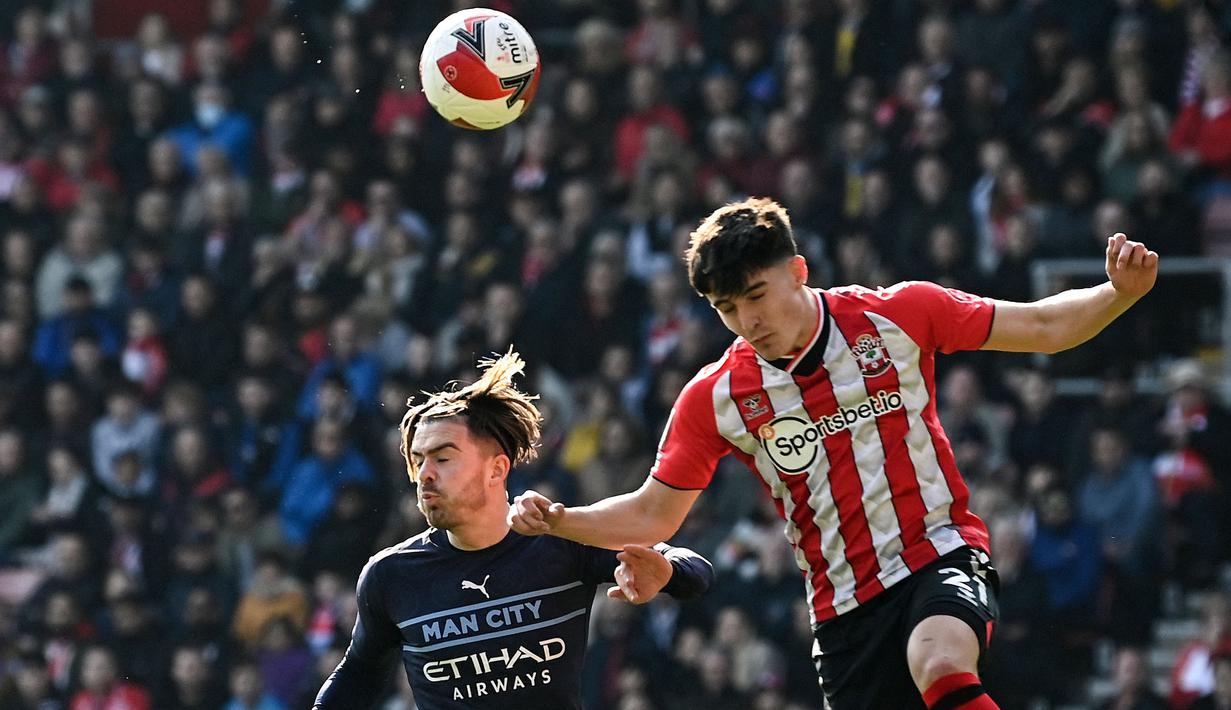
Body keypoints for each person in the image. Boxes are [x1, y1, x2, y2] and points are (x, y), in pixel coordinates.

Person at [509, 197, 1160, 710]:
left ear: (797, 270)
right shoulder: (716, 397)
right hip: (841, 608)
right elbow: (654, 515)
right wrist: (561, 520)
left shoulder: (899, 315)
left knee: (938, 663)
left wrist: (1118, 294)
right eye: (725, 308)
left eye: (756, 296)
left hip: (938, 549)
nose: (746, 321)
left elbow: (1043, 327)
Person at [314, 351, 713, 708]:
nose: (426, 475)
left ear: (497, 469)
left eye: (443, 458)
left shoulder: (563, 541)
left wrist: (667, 572)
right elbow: (357, 678)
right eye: (419, 461)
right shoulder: (390, 576)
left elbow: (694, 570)